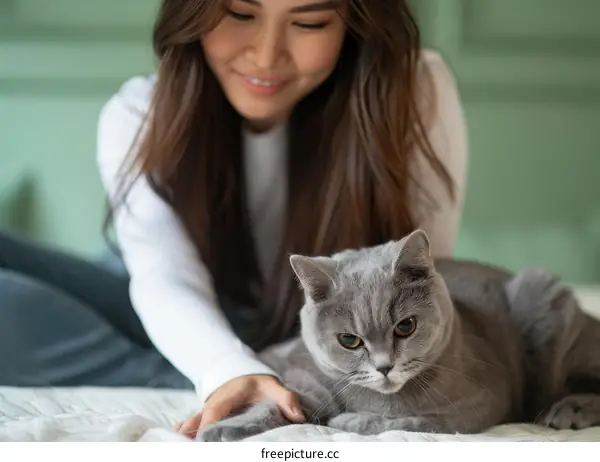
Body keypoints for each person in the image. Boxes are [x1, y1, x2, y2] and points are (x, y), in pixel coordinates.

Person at [0, 0, 468, 439]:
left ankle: (241, 371)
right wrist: (226, 366)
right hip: (162, 292)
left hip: (329, 327)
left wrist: (233, 365)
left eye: (309, 23)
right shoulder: (138, 112)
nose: (266, 56)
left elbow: (427, 282)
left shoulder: (416, 91)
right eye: (239, 13)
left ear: (354, 23)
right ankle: (227, 370)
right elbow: (164, 276)